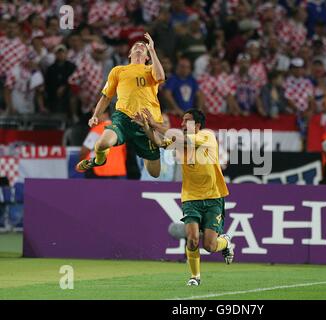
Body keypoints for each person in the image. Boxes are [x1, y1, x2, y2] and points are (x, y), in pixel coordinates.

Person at [134, 108, 234, 286]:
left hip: (213, 197)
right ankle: (195, 276)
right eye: (181, 121)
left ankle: (225, 242)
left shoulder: (206, 136)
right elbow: (158, 141)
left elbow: (180, 138)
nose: (181, 124)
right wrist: (147, 128)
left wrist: (155, 124)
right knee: (193, 237)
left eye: (186, 121)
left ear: (197, 125)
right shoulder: (178, 142)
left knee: (210, 246)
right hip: (191, 197)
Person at [75, 33, 166, 178]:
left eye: (143, 47)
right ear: (129, 54)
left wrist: (153, 51)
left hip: (147, 122)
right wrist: (95, 116)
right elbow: (105, 97)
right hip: (123, 118)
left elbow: (161, 77)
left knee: (154, 173)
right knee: (101, 144)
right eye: (136, 46)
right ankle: (99, 160)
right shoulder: (118, 71)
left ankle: (144, 151)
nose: (140, 46)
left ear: (147, 57)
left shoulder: (151, 70)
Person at [79, 109, 127, 179]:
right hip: (117, 171)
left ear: (106, 114)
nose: (94, 117)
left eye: (96, 114)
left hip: (98, 171)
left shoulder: (97, 129)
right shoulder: (120, 129)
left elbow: (84, 151)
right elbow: (124, 152)